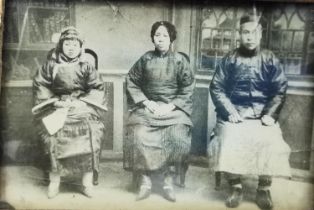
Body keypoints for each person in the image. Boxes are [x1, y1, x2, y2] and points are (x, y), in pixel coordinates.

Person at [209, 13, 291, 209]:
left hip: (262, 116)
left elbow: (280, 89)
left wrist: (270, 115)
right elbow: (217, 87)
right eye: (245, 32)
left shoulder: (269, 58)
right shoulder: (230, 59)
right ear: (239, 34)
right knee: (228, 136)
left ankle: (263, 188)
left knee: (271, 139)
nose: (249, 37)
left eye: (254, 33)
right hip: (235, 115)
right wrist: (229, 111)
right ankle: (235, 186)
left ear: (260, 34)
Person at [33, 27, 107, 198]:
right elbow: (41, 86)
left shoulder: (86, 67)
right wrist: (57, 102)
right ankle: (55, 181)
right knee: (52, 134)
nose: (71, 48)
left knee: (92, 130)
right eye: (67, 44)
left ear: (80, 47)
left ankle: (86, 183)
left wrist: (81, 102)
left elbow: (98, 88)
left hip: (82, 106)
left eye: (75, 44)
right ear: (61, 45)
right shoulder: (50, 66)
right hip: (56, 105)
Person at [125, 21, 195, 202]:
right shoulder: (146, 59)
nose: (161, 39)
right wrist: (147, 102)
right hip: (148, 109)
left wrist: (170, 106)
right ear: (152, 38)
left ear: (171, 38)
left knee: (178, 134)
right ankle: (145, 179)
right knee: (138, 133)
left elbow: (187, 88)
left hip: (173, 110)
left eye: (165, 35)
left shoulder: (180, 60)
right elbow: (131, 81)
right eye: (157, 35)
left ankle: (168, 179)